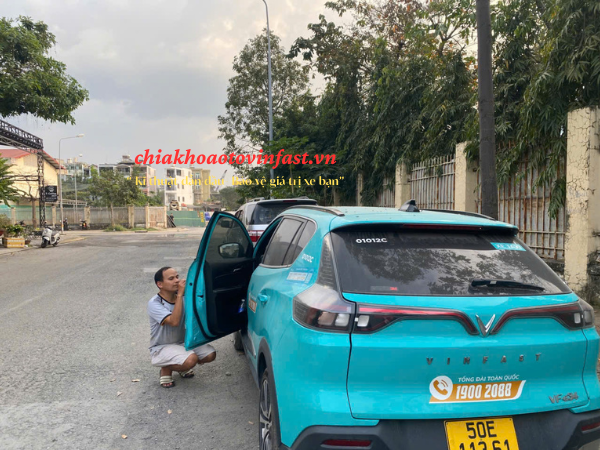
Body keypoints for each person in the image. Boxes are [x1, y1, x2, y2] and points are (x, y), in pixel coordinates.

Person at [148, 267, 216, 388]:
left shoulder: (185, 297)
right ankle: (166, 368)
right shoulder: (155, 303)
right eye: (171, 278)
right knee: (191, 360)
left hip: (182, 342)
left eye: (177, 277)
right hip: (161, 347)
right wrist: (179, 295)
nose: (176, 281)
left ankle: (180, 363)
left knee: (210, 354)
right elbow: (174, 322)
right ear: (160, 284)